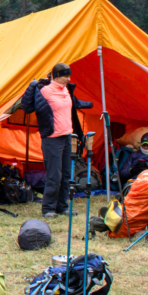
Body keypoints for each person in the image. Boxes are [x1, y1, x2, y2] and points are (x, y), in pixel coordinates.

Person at [22, 62, 93, 218]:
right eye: (66, 76)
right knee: (55, 175)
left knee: (67, 174)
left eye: (69, 76)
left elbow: (75, 104)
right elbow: (27, 107)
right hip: (52, 139)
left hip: (67, 137)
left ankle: (63, 207)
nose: (68, 79)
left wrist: (92, 104)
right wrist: (32, 86)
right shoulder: (45, 91)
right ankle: (48, 208)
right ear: (57, 76)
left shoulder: (66, 90)